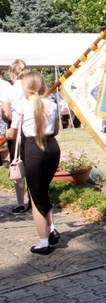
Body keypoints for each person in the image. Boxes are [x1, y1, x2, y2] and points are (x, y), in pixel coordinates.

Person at [12, 71, 61, 254]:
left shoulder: (22, 106)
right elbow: (55, 131)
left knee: (35, 197)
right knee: (42, 191)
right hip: (52, 148)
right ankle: (51, 229)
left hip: (34, 149)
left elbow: (13, 131)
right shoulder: (52, 104)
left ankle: (43, 242)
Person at [3, 59, 28, 212]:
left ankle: (20, 201)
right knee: (32, 165)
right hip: (31, 129)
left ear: (12, 74)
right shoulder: (31, 88)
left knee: (16, 164)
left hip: (16, 131)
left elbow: (6, 114)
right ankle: (34, 200)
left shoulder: (9, 90)